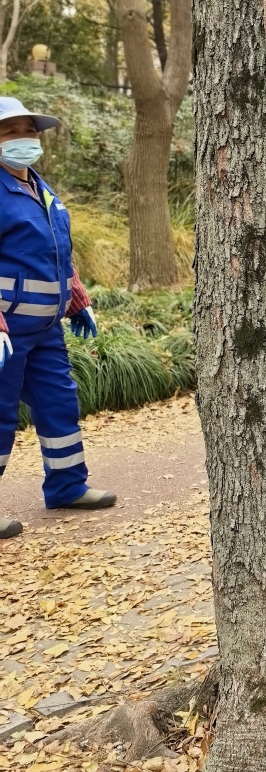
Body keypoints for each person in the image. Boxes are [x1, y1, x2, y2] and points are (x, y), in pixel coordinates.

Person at [0, 97, 116, 538]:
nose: (23, 139)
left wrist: (77, 298)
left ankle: (67, 485)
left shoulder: (41, 188)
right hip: (8, 331)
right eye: (11, 132)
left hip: (46, 329)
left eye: (29, 131)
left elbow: (56, 253)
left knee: (59, 405)